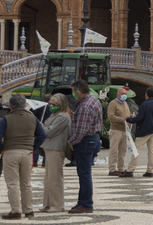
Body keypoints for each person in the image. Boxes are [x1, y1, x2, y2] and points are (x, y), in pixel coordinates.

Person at [0, 93, 46, 220]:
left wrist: (2, 150)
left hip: (10, 152)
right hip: (27, 153)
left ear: (10, 106)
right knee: (26, 183)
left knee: (12, 184)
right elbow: (42, 135)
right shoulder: (32, 118)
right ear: (25, 105)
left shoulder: (6, 119)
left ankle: (16, 211)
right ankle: (28, 210)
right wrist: (33, 147)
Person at [66, 79, 103, 214]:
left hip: (85, 141)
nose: (72, 94)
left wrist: (71, 142)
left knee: (84, 174)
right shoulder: (94, 100)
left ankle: (86, 203)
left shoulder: (84, 106)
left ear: (78, 91)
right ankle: (82, 201)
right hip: (94, 139)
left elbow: (81, 129)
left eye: (73, 91)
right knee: (83, 173)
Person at [40, 93, 71, 213]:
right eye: (50, 103)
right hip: (49, 148)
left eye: (54, 104)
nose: (51, 106)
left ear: (61, 104)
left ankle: (57, 205)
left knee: (55, 178)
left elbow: (49, 131)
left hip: (56, 149)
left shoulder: (63, 117)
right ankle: (48, 203)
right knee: (48, 179)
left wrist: (40, 127)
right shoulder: (54, 115)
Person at [125, 86, 153, 177]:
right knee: (151, 150)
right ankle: (150, 170)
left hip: (144, 130)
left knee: (137, 150)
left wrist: (129, 119)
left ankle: (130, 169)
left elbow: (139, 118)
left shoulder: (144, 104)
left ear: (146, 95)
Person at [106, 86, 131, 176]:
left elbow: (127, 114)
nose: (124, 95)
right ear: (117, 95)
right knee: (114, 150)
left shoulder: (125, 103)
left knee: (123, 151)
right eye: (122, 94)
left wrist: (131, 117)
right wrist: (123, 120)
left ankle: (121, 168)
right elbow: (111, 116)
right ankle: (112, 169)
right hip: (116, 130)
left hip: (125, 131)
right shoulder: (113, 103)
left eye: (125, 94)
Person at [31, 94, 53, 168]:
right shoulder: (52, 107)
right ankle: (44, 162)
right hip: (48, 127)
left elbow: (35, 116)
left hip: (39, 126)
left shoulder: (38, 107)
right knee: (46, 145)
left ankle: (34, 161)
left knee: (37, 144)